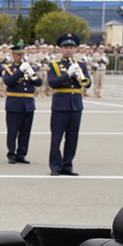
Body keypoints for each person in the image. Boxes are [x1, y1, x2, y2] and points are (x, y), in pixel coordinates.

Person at [48, 32, 90, 177]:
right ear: (61, 49)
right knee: (56, 138)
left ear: (75, 49)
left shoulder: (82, 65)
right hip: (60, 105)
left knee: (72, 138)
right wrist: (67, 75)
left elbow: (88, 83)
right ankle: (55, 165)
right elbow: (52, 83)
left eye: (71, 47)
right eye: (66, 47)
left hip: (75, 105)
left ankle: (67, 165)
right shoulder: (54, 65)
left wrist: (79, 75)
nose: (68, 50)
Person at [1, 44, 41, 165]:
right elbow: (8, 81)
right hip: (14, 103)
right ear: (13, 55)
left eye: (22, 54)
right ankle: (11, 154)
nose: (21, 57)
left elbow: (39, 83)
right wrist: (19, 71)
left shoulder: (30, 68)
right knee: (12, 131)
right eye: (18, 55)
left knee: (25, 131)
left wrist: (30, 71)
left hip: (28, 104)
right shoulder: (8, 69)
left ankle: (21, 154)